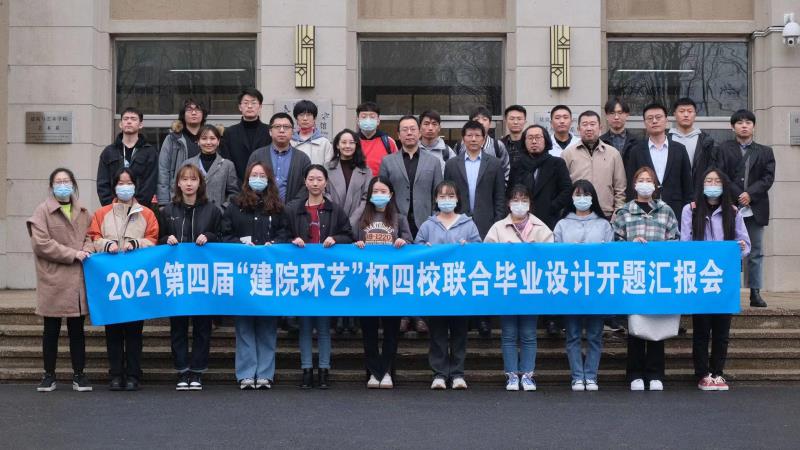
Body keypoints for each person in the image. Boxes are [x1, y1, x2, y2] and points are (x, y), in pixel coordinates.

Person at [86, 167, 159, 391]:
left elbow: (153, 239)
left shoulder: (147, 214)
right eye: (121, 183)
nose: (125, 187)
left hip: (136, 281)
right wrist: (106, 244)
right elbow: (93, 237)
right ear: (114, 186)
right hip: (110, 281)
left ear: (135, 186)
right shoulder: (102, 213)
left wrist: (136, 244)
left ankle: (134, 374)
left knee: (135, 331)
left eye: (129, 183)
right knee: (113, 330)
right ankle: (116, 374)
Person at [221, 162, 291, 390]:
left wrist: (276, 243)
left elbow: (285, 233)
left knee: (267, 324)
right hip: (242, 274)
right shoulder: (235, 205)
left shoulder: (277, 207)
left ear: (269, 179)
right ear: (247, 178)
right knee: (244, 325)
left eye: (262, 175)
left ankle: (265, 374)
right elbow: (225, 234)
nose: (258, 178)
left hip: (268, 273)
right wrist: (240, 245)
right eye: (254, 175)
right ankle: (245, 373)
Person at [680, 168, 750, 391]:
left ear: (723, 185)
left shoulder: (733, 212)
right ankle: (702, 374)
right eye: (708, 181)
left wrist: (740, 247)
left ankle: (718, 373)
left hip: (724, 279)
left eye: (716, 181)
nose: (712, 185)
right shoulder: (690, 210)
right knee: (701, 329)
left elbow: (746, 244)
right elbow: (684, 244)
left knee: (722, 330)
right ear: (702, 185)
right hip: (700, 278)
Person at [285, 164, 354, 389]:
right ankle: (306, 370)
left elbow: (349, 235)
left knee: (324, 327)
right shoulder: (293, 209)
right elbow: (283, 235)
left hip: (326, 276)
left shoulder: (335, 210)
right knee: (305, 326)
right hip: (302, 275)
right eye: (311, 179)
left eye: (319, 179)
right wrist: (293, 240)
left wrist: (336, 239)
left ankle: (324, 370)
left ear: (326, 182)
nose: (315, 183)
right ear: (305, 182)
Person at [612, 166, 679, 391]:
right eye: (640, 179)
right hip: (634, 275)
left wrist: (660, 248)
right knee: (636, 325)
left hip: (659, 276)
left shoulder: (665, 210)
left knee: (657, 324)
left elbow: (675, 240)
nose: (645, 183)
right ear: (634, 184)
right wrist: (631, 245)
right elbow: (615, 241)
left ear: (655, 184)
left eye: (648, 180)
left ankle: (656, 373)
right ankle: (635, 374)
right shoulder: (624, 211)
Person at [27, 168, 93, 392]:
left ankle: (79, 374)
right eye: (58, 181)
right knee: (51, 330)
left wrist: (87, 248)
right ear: (51, 186)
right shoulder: (42, 211)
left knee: (77, 330)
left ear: (73, 184)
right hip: (53, 278)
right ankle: (49, 375)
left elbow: (91, 236)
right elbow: (41, 244)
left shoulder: (83, 211)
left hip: (76, 279)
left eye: (66, 181)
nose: (63, 185)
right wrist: (73, 253)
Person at [484, 184, 554, 392]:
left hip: (531, 287)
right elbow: (486, 255)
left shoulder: (541, 228)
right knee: (508, 333)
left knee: (529, 333)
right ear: (508, 203)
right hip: (507, 288)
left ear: (530, 203)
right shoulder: (498, 228)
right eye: (515, 200)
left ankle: (528, 375)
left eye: (524, 200)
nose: (519, 204)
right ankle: (512, 375)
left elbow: (551, 256)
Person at [158, 164, 221, 391]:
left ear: (200, 183)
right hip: (177, 277)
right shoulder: (167, 211)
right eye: (184, 179)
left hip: (203, 278)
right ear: (178, 183)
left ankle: (198, 371)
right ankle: (182, 370)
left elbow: (222, 237)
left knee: (202, 326)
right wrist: (166, 239)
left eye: (193, 179)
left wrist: (209, 236)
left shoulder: (212, 210)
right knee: (179, 326)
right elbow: (158, 239)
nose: (188, 183)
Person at [415, 180, 482, 390]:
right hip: (435, 287)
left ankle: (458, 373)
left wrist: (468, 247)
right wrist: (423, 249)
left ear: (457, 199)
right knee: (438, 332)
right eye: (442, 196)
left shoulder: (468, 224)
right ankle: (439, 373)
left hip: (459, 286)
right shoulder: (428, 225)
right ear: (435, 199)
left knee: (460, 331)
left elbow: (479, 250)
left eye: (450, 196)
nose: (446, 200)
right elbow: (415, 251)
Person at [444, 120, 506, 338]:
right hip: (458, 224)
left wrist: (497, 223)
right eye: (469, 135)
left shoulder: (494, 164)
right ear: (463, 138)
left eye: (477, 135)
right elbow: (446, 194)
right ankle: (464, 318)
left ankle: (483, 319)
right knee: (461, 271)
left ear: (484, 138)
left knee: (482, 273)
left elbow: (500, 197)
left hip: (486, 224)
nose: (473, 139)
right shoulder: (452, 164)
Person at [553, 180, 614, 391]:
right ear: (571, 198)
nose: (582, 199)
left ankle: (591, 376)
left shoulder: (604, 225)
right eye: (577, 195)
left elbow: (610, 254)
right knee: (573, 335)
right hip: (571, 286)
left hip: (597, 286)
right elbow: (555, 254)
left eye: (586, 195)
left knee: (595, 335)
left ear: (593, 198)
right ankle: (577, 376)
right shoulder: (562, 224)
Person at [354, 176, 413, 389]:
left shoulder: (399, 218)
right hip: (367, 282)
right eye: (375, 192)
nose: (379, 195)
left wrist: (403, 242)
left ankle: (386, 371)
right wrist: (356, 244)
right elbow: (349, 241)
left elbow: (411, 242)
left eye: (383, 191)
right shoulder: (361, 217)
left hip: (392, 283)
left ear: (391, 194)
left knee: (391, 330)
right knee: (369, 331)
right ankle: (373, 372)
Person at [718, 109, 775, 308]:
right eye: (740, 123)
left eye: (748, 122)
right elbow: (721, 175)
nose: (744, 126)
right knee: (729, 249)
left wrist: (750, 194)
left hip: (755, 207)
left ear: (754, 126)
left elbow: (768, 178)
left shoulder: (765, 151)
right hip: (730, 207)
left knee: (755, 251)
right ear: (732, 127)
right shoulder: (723, 149)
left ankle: (755, 292)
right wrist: (738, 194)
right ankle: (728, 290)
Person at [326, 128, 372, 335]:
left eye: (351, 142)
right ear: (337, 145)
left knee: (354, 270)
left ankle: (352, 317)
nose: (347, 146)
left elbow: (366, 198)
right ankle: (336, 316)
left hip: (357, 225)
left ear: (356, 145)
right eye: (343, 142)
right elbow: (325, 194)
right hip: (332, 224)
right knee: (335, 270)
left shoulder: (366, 170)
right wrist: (338, 217)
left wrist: (350, 220)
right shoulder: (327, 168)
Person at [626, 102, 693, 221]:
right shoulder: (636, 151)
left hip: (675, 209)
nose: (654, 121)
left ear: (666, 120)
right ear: (644, 123)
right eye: (650, 118)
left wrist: (688, 210)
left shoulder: (680, 149)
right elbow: (631, 184)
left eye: (658, 117)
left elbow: (687, 184)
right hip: (644, 210)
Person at [562, 110, 627, 219]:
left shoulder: (613, 153)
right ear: (578, 129)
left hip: (606, 214)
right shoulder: (568, 154)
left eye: (592, 124)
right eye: (584, 124)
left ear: (600, 128)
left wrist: (618, 212)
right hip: (576, 214)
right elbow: (562, 187)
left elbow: (620, 187)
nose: (589, 128)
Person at [509, 124, 572, 230]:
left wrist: (552, 207)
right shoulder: (517, 165)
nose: (534, 141)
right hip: (521, 219)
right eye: (530, 138)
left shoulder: (557, 163)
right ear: (524, 141)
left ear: (546, 140)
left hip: (549, 220)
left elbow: (567, 190)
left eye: (538, 137)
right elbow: (510, 191)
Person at [97, 107, 158, 208]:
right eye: (125, 119)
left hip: (140, 209)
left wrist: (137, 207)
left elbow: (150, 184)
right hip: (113, 209)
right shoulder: (109, 152)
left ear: (140, 124)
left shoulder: (149, 152)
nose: (129, 121)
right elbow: (102, 183)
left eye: (133, 119)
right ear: (120, 124)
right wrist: (111, 206)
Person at [248, 112, 312, 205]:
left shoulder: (303, 159)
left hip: (293, 211)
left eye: (286, 127)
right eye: (277, 127)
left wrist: (291, 207)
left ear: (292, 132)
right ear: (270, 131)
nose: (282, 130)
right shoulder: (257, 156)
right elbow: (248, 183)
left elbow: (306, 187)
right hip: (261, 209)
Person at [157, 98, 207, 206]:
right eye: (189, 109)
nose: (193, 113)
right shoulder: (173, 139)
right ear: (183, 114)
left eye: (197, 109)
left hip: (205, 198)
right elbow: (163, 170)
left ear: (203, 114)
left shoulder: (210, 139)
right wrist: (163, 202)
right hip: (178, 197)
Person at [183, 124, 239, 211]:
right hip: (192, 213)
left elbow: (233, 193)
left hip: (218, 214)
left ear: (218, 141)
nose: (208, 142)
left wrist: (223, 208)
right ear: (198, 141)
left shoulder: (227, 165)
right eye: (204, 138)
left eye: (212, 138)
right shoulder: (188, 164)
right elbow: (178, 189)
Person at [669, 97, 722, 188]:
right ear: (674, 114)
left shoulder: (706, 141)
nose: (686, 115)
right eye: (681, 111)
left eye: (690, 111)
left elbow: (711, 168)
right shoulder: (666, 139)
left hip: (698, 189)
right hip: (672, 189)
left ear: (695, 115)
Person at [220, 88, 271, 182]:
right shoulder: (230, 133)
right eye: (246, 103)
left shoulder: (269, 132)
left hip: (264, 184)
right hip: (237, 185)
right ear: (240, 107)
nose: (250, 106)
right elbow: (227, 163)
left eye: (253, 103)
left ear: (260, 107)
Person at [453, 106, 510, 180]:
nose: (481, 122)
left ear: (490, 123)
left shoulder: (498, 146)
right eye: (477, 119)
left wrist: (501, 186)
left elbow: (505, 170)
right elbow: (453, 169)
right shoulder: (460, 145)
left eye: (484, 119)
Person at [356, 101, 398, 176]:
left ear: (378, 120)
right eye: (364, 117)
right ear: (358, 120)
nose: (368, 120)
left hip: (382, 183)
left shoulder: (388, 142)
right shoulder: (352, 141)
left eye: (372, 117)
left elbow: (397, 168)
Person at [291, 99, 334, 165]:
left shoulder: (324, 143)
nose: (305, 118)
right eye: (301, 115)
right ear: (296, 118)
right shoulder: (290, 142)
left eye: (308, 115)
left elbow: (328, 168)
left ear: (315, 118)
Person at [600, 97, 639, 164]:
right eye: (612, 113)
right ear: (606, 116)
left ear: (627, 115)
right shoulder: (600, 142)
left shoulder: (637, 142)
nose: (616, 117)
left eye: (620, 113)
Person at [500, 104, 528, 169]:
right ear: (506, 121)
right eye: (512, 119)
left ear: (525, 121)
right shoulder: (500, 145)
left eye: (519, 119)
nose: (515, 122)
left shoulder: (531, 143)